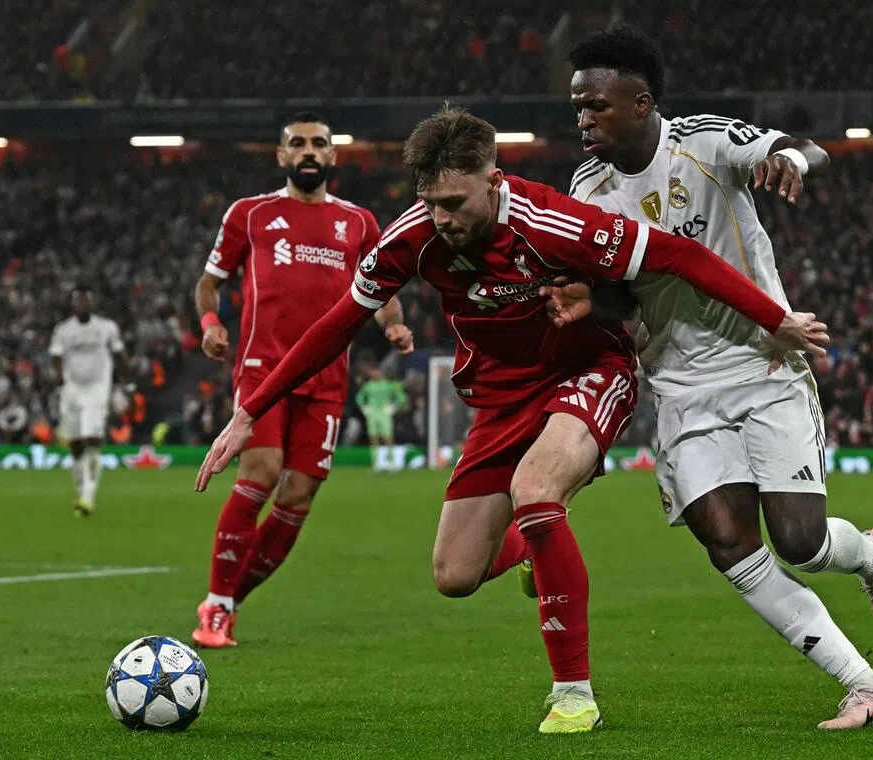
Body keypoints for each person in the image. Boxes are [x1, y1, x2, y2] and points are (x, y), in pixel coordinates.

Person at [195, 104, 830, 733]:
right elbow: (337, 325)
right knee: (454, 575)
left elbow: (678, 257)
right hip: (500, 399)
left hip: (586, 372)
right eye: (431, 202)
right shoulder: (413, 236)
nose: (440, 219)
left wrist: (775, 318)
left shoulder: (554, 220)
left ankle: (573, 694)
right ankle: (532, 543)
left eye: (454, 203)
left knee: (536, 491)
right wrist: (250, 412)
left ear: (493, 181)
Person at [542, 24, 873, 730]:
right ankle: (866, 685)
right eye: (577, 106)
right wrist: (594, 297)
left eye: (597, 105)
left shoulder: (704, 143)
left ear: (643, 102)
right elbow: (621, 288)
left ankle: (869, 557)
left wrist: (794, 162)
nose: (583, 118)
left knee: (800, 540)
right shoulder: (587, 187)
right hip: (680, 384)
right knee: (727, 540)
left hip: (763, 362)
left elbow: (801, 148)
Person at [192, 112, 414, 649]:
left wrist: (395, 324)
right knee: (262, 472)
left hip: (327, 376)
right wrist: (210, 324)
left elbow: (381, 289)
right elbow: (208, 283)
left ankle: (226, 602)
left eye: (319, 144)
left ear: (333, 156)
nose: (309, 151)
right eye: (298, 144)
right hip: (262, 369)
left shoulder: (359, 222)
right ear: (281, 156)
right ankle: (217, 607)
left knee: (299, 496)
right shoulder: (250, 214)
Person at [48, 285, 127, 517]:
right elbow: (56, 357)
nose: (83, 304)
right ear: (73, 305)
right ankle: (82, 488)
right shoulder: (63, 330)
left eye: (86, 301)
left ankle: (88, 495)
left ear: (92, 304)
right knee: (75, 444)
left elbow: (119, 354)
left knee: (92, 438)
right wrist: (58, 381)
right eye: (78, 301)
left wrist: (128, 382)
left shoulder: (106, 328)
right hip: (72, 389)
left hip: (97, 388)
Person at [354, 363, 408, 471]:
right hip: (372, 413)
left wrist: (393, 407)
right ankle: (376, 463)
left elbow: (401, 396)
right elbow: (359, 398)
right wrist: (365, 408)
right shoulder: (368, 385)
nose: (375, 374)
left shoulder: (387, 385)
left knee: (387, 437)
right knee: (373, 437)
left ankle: (392, 463)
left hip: (384, 412)